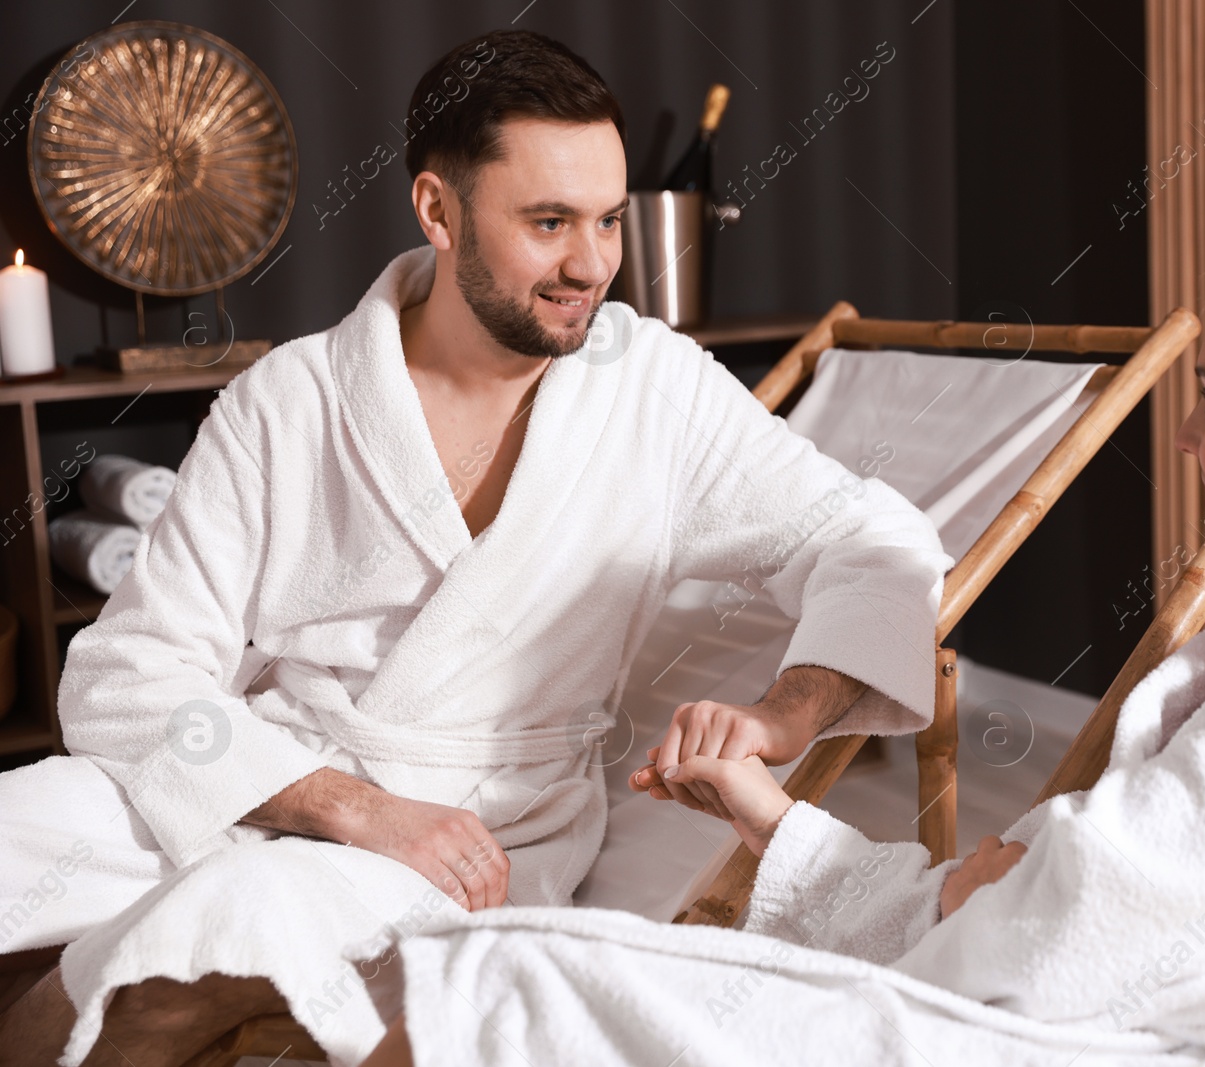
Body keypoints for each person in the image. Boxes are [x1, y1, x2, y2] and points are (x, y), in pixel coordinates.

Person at [357, 233, 1205, 1067]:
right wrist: (778, 821)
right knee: (504, 978)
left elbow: (1065, 931)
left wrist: (1025, 869)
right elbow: (1048, 903)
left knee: (507, 993)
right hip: (1065, 1017)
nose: (1190, 436)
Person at [0, 29, 952, 1067]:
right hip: (274, 773)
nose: (590, 265)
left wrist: (782, 715)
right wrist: (352, 804)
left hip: (485, 829)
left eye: (606, 221)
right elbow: (130, 673)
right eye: (548, 222)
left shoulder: (653, 392)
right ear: (437, 210)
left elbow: (871, 538)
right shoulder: (291, 401)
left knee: (196, 947)